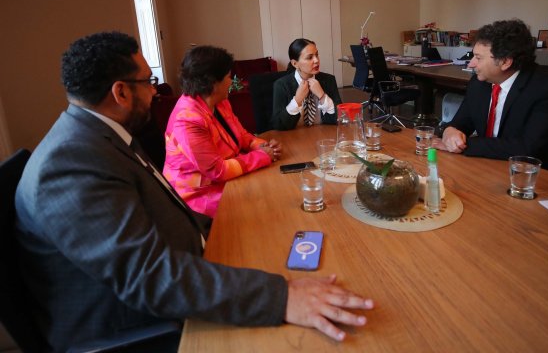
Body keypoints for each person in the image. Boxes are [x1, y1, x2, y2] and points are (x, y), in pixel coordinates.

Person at [14, 32, 373, 352]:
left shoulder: (97, 137)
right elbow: (151, 277)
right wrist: (282, 297)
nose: (155, 91)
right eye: (148, 81)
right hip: (140, 325)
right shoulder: (70, 165)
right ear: (120, 92)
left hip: (184, 264)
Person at [433, 19, 548, 169]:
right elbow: (461, 123)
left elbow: (526, 148)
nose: (471, 64)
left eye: (478, 58)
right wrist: (449, 131)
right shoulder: (479, 83)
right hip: (488, 166)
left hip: (531, 173)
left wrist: (464, 144)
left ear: (505, 62)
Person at [163, 46, 282, 217]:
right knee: (265, 203)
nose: (231, 81)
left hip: (225, 180)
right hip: (198, 195)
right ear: (213, 83)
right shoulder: (187, 120)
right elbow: (217, 171)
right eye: (228, 76)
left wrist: (263, 146)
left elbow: (242, 136)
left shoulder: (220, 102)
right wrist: (263, 156)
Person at [271, 38, 342, 130]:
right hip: (294, 137)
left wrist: (322, 96)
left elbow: (340, 118)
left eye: (317, 55)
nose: (316, 60)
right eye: (309, 57)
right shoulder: (281, 85)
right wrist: (297, 100)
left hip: (323, 134)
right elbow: (278, 125)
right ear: (295, 63)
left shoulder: (329, 80)